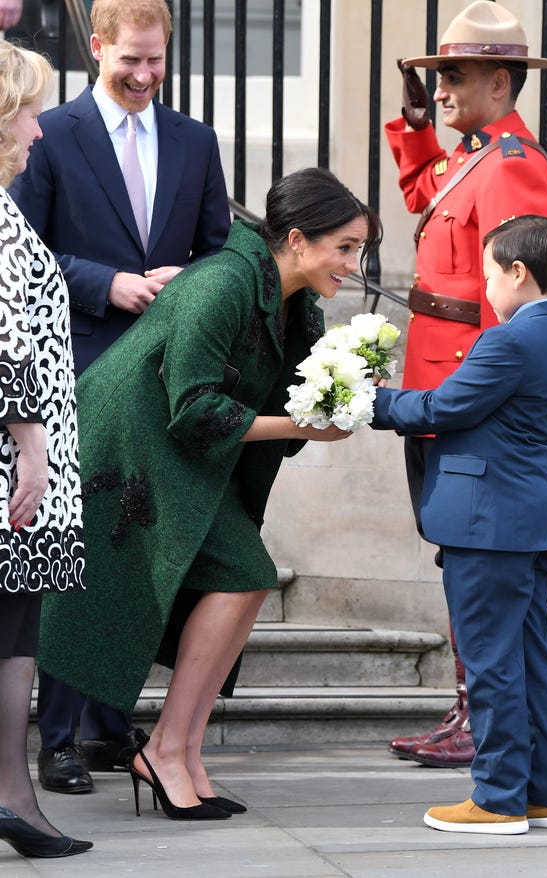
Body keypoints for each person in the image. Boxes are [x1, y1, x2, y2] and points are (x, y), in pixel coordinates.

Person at [36, 166, 382, 820]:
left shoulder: (294, 299)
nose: (352, 265)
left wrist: (342, 394)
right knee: (245, 572)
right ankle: (166, 749)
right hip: (128, 449)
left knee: (245, 577)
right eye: (345, 247)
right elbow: (193, 408)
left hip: (181, 454)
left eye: (357, 250)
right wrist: (303, 425)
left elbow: (281, 396)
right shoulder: (222, 282)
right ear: (299, 240)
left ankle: (181, 750)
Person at [9, 0, 230, 795]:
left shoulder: (196, 140)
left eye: (155, 59)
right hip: (77, 371)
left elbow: (220, 253)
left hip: (163, 378)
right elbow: (21, 248)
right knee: (82, 553)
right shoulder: (48, 132)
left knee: (137, 547)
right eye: (129, 58)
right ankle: (58, 739)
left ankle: (109, 724)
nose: (144, 74)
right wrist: (110, 283)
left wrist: (190, 283)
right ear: (97, 47)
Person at [384, 0, 547, 768]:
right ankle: (471, 709)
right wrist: (417, 124)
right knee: (455, 554)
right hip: (440, 383)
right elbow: (422, 195)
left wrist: (481, 399)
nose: (442, 88)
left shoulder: (513, 164)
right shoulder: (473, 154)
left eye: (453, 76)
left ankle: (480, 717)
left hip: (466, 392)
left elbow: (512, 301)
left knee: (475, 562)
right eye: (438, 76)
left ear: (500, 82)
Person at [372, 214, 547, 833]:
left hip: (491, 522)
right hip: (531, 517)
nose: (484, 286)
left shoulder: (508, 339)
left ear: (518, 272)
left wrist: (369, 400)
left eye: (488, 273)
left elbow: (445, 407)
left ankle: (497, 798)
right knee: (531, 659)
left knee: (491, 661)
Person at [0, 39, 91, 858]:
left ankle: (15, 798)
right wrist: (31, 442)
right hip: (14, 463)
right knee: (11, 631)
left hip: (25, 455)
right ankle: (13, 799)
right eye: (30, 113)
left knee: (16, 629)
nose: (39, 129)